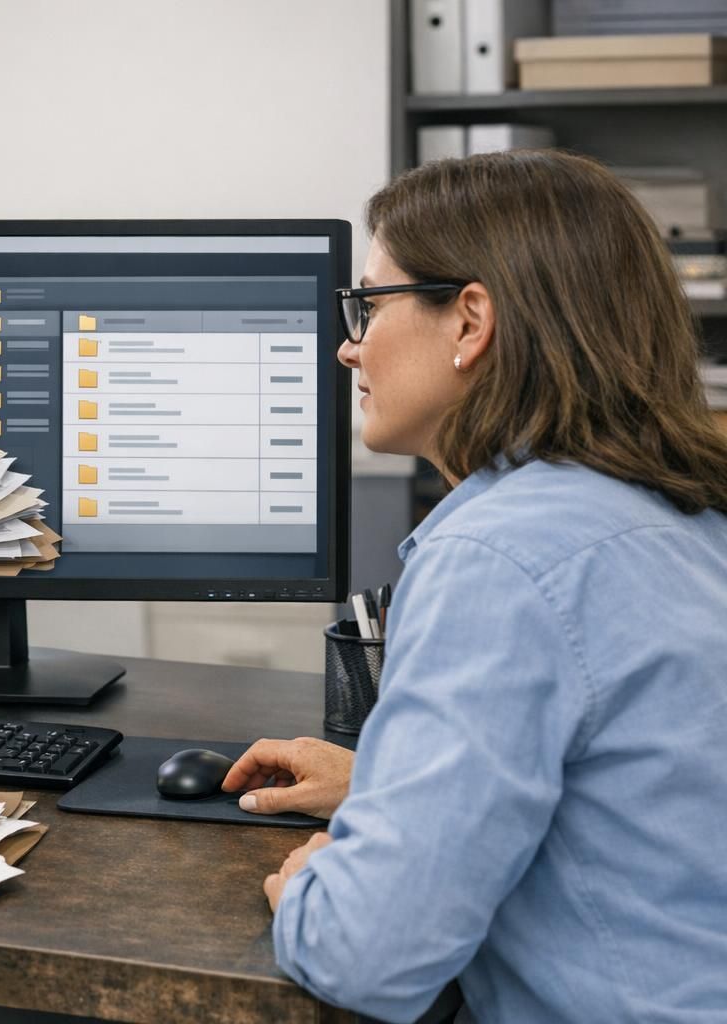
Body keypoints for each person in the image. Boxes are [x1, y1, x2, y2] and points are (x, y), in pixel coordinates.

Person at [223, 150, 727, 1022]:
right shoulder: (687, 513)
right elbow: (648, 795)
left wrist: (320, 885)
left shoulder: (500, 558)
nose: (348, 346)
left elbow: (367, 955)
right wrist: (390, 783)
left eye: (368, 304)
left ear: (469, 323)